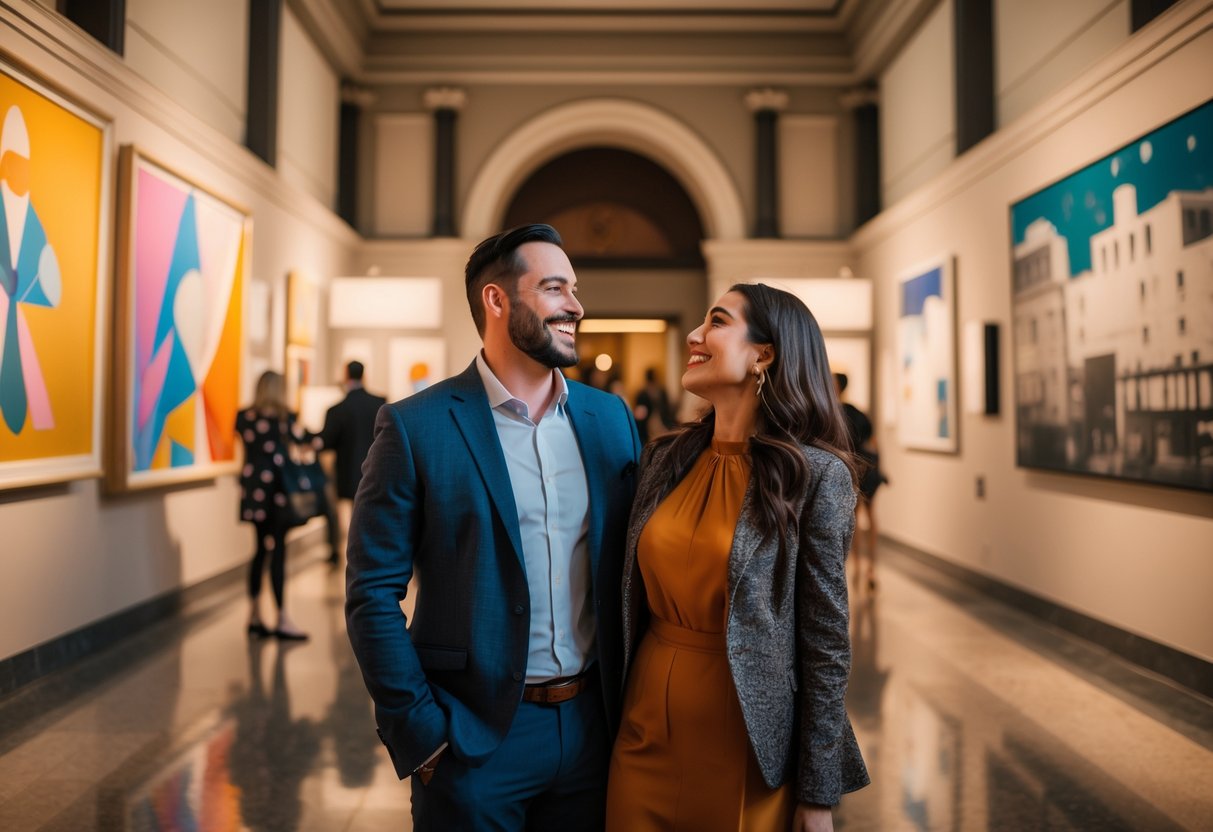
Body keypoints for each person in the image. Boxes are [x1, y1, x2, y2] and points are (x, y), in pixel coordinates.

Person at [345, 223, 642, 831]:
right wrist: (422, 735)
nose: (576, 307)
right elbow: (371, 592)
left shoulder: (608, 418)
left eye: (575, 288)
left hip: (592, 727)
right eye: (555, 288)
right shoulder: (415, 427)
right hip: (473, 739)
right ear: (497, 301)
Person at [606, 283, 869, 832]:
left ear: (763, 354)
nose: (696, 336)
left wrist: (818, 794)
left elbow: (825, 643)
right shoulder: (665, 456)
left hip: (746, 745)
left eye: (717, 322)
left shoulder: (817, 477)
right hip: (642, 730)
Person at [235, 370, 311, 641]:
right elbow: (304, 441)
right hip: (278, 491)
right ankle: (281, 617)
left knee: (258, 550)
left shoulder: (244, 417)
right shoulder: (284, 418)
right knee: (278, 551)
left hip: (253, 490)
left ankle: (254, 615)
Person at [315, 361, 386, 566]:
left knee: (344, 512)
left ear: (346, 376)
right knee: (370, 513)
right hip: (376, 469)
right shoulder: (380, 403)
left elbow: (326, 441)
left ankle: (345, 552)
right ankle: (370, 552)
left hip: (347, 470)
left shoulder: (337, 409)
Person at [834, 373, 887, 591]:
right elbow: (874, 442)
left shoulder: (838, 413)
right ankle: (868, 567)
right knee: (868, 516)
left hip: (855, 470)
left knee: (855, 518)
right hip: (867, 468)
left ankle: (859, 567)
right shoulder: (858, 412)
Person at [633, 366, 675, 444]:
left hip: (650, 424)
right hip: (659, 423)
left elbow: (639, 414)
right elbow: (667, 409)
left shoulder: (642, 393)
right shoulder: (661, 391)